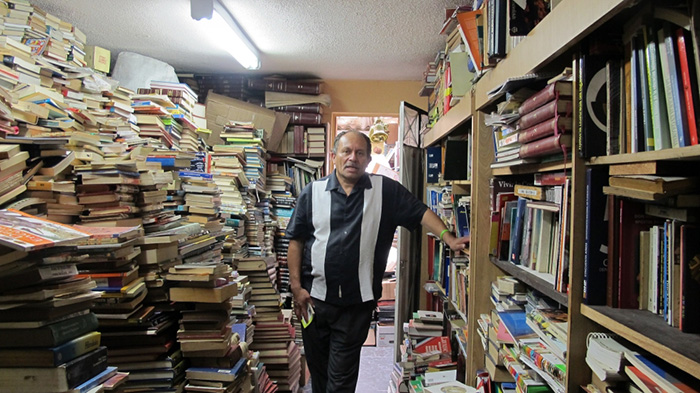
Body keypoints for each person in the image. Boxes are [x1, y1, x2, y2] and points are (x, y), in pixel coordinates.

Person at [286, 130, 468, 393]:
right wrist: (296, 288)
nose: (353, 158)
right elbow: (296, 240)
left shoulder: (386, 191)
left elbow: (421, 213)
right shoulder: (312, 193)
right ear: (334, 155)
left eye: (360, 153)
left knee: (341, 381)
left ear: (369, 158)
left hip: (356, 305)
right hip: (315, 302)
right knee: (319, 373)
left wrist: (449, 239)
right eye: (346, 151)